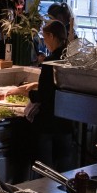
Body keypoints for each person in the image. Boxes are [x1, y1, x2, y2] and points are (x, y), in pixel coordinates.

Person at [14, 20, 78, 170]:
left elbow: (43, 95)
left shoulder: (50, 62)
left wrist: (28, 92)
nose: (45, 42)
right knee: (65, 170)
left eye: (45, 37)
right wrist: (35, 85)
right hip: (67, 123)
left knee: (46, 171)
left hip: (48, 124)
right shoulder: (70, 59)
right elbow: (57, 87)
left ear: (51, 35)